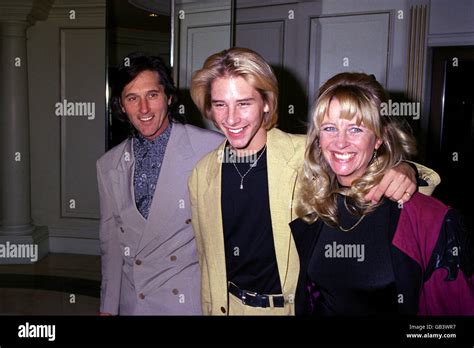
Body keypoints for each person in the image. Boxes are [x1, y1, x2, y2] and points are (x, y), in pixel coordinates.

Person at [188, 47, 438, 315]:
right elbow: (207, 261)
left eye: (244, 103)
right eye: (220, 104)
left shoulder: (309, 154)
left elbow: (360, 156)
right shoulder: (202, 175)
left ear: (267, 103)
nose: (231, 118)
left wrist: (404, 168)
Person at [291, 72, 473, 316]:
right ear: (318, 137)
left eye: (355, 129)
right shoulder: (313, 203)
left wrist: (408, 169)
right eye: (330, 128)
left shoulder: (426, 217)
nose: (340, 142)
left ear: (378, 138)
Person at [96, 53, 223, 315]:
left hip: (186, 302)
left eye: (152, 95)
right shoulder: (108, 165)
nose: (143, 109)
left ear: (168, 97)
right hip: (135, 303)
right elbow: (111, 242)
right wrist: (108, 305)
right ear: (121, 105)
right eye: (132, 98)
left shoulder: (210, 148)